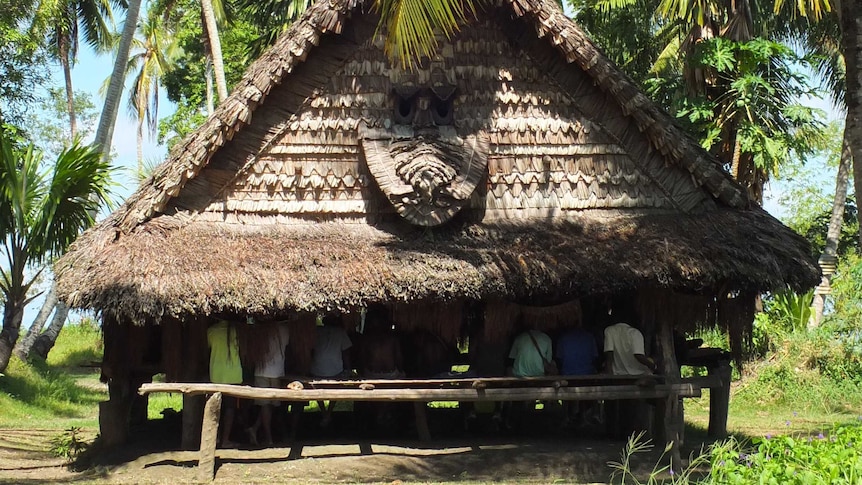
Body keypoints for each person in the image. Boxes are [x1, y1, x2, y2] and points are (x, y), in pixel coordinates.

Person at [310, 313, 353, 427]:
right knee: (337, 388)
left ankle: (325, 413)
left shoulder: (316, 331)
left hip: (316, 371)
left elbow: (310, 350)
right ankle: (328, 413)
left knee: (315, 388)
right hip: (335, 372)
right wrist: (348, 370)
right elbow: (346, 353)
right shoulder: (341, 332)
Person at [207, 319, 243, 448]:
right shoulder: (237, 332)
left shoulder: (211, 331)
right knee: (229, 409)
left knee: (215, 407)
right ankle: (225, 440)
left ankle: (214, 438)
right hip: (233, 374)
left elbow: (209, 346)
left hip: (216, 374)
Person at [555, 325, 599, 427]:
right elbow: (594, 357)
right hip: (586, 374)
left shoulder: (563, 338)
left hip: (567, 374)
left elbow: (559, 358)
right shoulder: (590, 337)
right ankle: (582, 416)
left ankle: (567, 416)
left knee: (566, 387)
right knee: (585, 389)